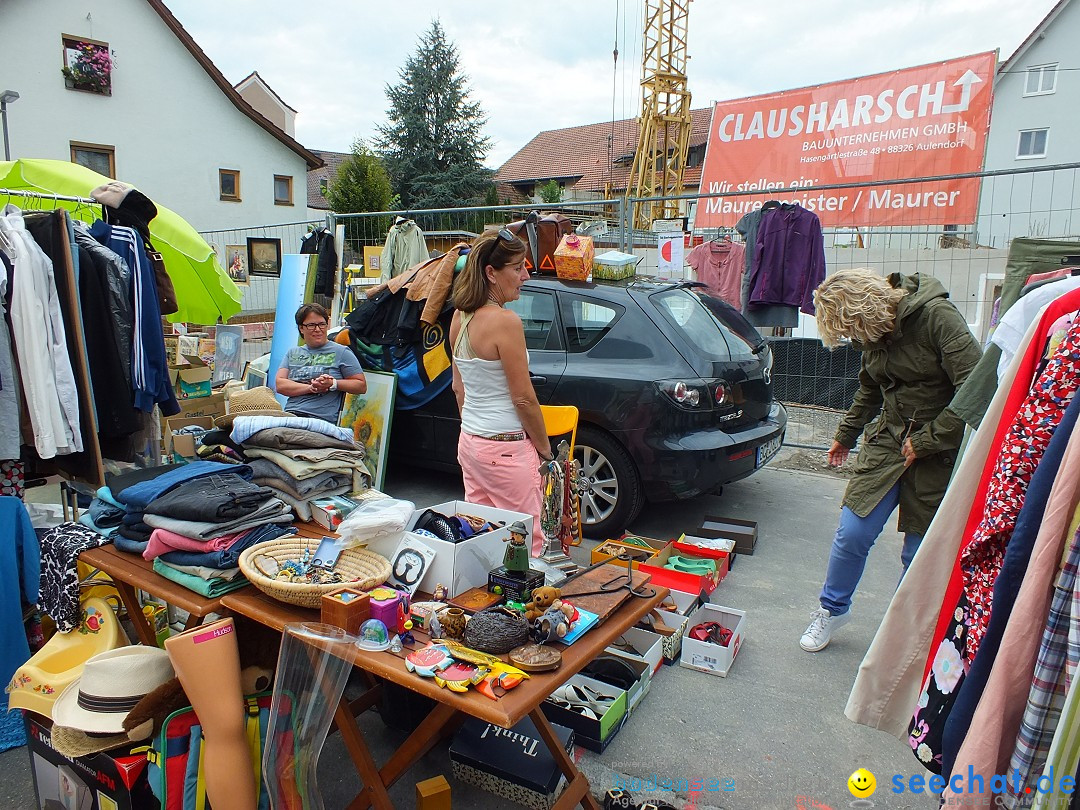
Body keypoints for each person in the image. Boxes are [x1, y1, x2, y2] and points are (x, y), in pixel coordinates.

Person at [800, 269, 981, 652]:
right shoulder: (872, 332)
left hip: (940, 448)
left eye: (854, 331)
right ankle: (832, 612)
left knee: (918, 551)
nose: (855, 340)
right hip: (888, 439)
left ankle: (901, 632)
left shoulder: (937, 317)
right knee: (853, 532)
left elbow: (977, 388)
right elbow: (870, 387)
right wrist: (845, 435)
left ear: (868, 311)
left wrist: (929, 439)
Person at [450, 228, 552, 554]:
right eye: (518, 267)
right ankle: (526, 604)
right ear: (491, 273)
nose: (526, 274)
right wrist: (546, 453)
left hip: (471, 443)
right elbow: (523, 398)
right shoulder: (505, 321)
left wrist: (474, 431)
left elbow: (458, 387)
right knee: (528, 545)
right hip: (506, 447)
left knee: (481, 538)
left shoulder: (459, 317)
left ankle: (486, 601)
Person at [275, 303, 367, 423]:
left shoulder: (342, 352)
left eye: (322, 324)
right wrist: (311, 388)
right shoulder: (293, 352)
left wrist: (332, 383)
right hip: (291, 415)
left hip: (321, 419)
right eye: (311, 325)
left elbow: (361, 385)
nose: (318, 329)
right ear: (301, 328)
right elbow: (280, 385)